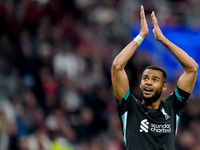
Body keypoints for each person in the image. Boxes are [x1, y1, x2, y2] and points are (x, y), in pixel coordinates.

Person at [111, 5, 198, 150]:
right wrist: (141, 36)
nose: (148, 82)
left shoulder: (172, 107)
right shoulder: (130, 107)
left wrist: (163, 40)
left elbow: (192, 68)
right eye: (145, 78)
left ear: (164, 87)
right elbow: (117, 66)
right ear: (140, 84)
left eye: (154, 79)